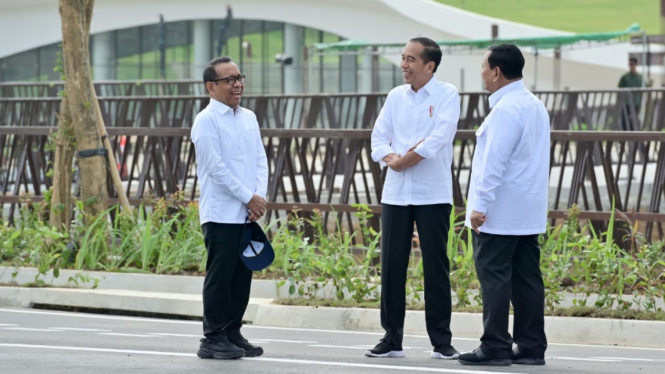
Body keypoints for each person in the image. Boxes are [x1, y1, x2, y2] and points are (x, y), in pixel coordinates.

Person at [366, 37, 460, 360]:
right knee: (392, 265)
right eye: (403, 58)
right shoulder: (395, 97)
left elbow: (439, 138)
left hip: (432, 193)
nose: (404, 65)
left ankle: (441, 341)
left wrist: (406, 158)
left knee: (436, 265)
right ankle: (391, 338)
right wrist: (393, 158)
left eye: (411, 59)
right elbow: (378, 138)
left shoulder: (447, 94)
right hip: (395, 194)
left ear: (429, 66)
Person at [458, 44, 549, 366]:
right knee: (527, 278)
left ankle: (495, 345)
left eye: (484, 66)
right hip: (528, 209)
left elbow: (492, 164)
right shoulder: (535, 105)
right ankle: (531, 346)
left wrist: (479, 205)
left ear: (496, 72)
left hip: (501, 211)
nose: (482, 72)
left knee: (494, 276)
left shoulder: (505, 110)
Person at [191, 56, 269, 360]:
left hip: (247, 213)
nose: (237, 84)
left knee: (242, 275)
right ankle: (212, 338)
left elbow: (260, 160)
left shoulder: (248, 117)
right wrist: (247, 197)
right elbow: (215, 169)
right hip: (222, 212)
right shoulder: (206, 121)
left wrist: (257, 198)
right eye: (229, 80)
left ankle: (233, 332)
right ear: (211, 87)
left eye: (239, 78)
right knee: (220, 276)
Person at [618, 57, 645, 131]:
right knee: (625, 120)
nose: (631, 66)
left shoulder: (640, 78)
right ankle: (623, 138)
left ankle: (634, 138)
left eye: (633, 64)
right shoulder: (625, 77)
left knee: (634, 120)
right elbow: (619, 90)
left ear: (636, 65)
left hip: (636, 103)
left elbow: (643, 91)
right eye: (630, 64)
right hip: (626, 103)